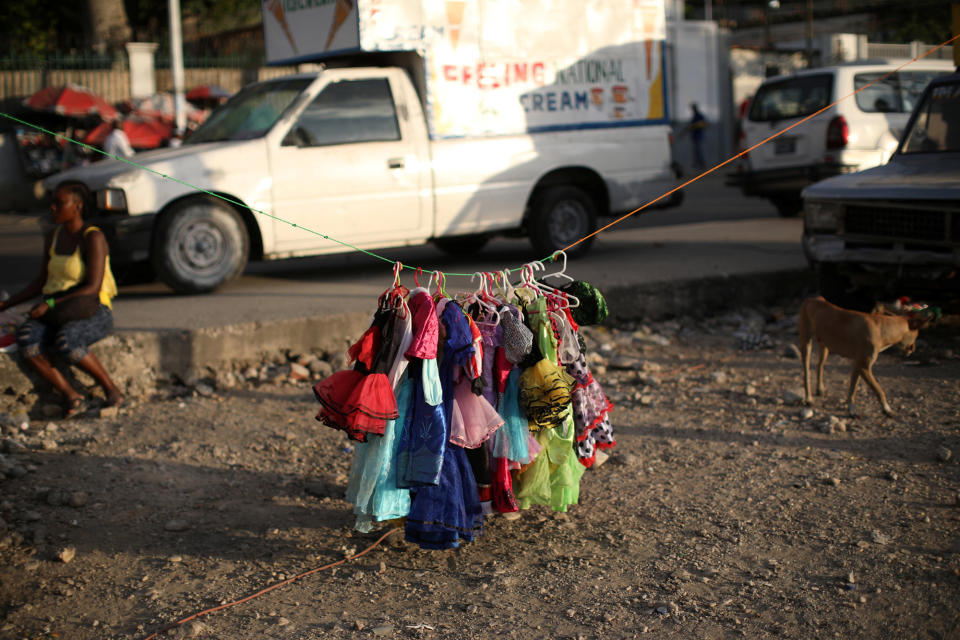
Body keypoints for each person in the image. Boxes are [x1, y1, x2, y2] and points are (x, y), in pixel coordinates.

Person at [0, 182, 123, 418]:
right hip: (55, 310)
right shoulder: (53, 237)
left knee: (67, 341)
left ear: (77, 207)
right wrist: (7, 304)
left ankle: (111, 389)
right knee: (28, 340)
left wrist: (51, 303)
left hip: (90, 309)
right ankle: (70, 394)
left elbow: (92, 287)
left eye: (60, 203)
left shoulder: (92, 237)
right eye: (53, 203)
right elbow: (40, 282)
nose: (53, 208)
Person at [686, 102, 707, 170]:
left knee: (699, 151)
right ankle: (697, 164)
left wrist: (694, 126)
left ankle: (701, 164)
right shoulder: (695, 116)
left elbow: (704, 124)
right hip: (695, 136)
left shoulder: (699, 116)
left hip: (698, 136)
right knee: (696, 151)